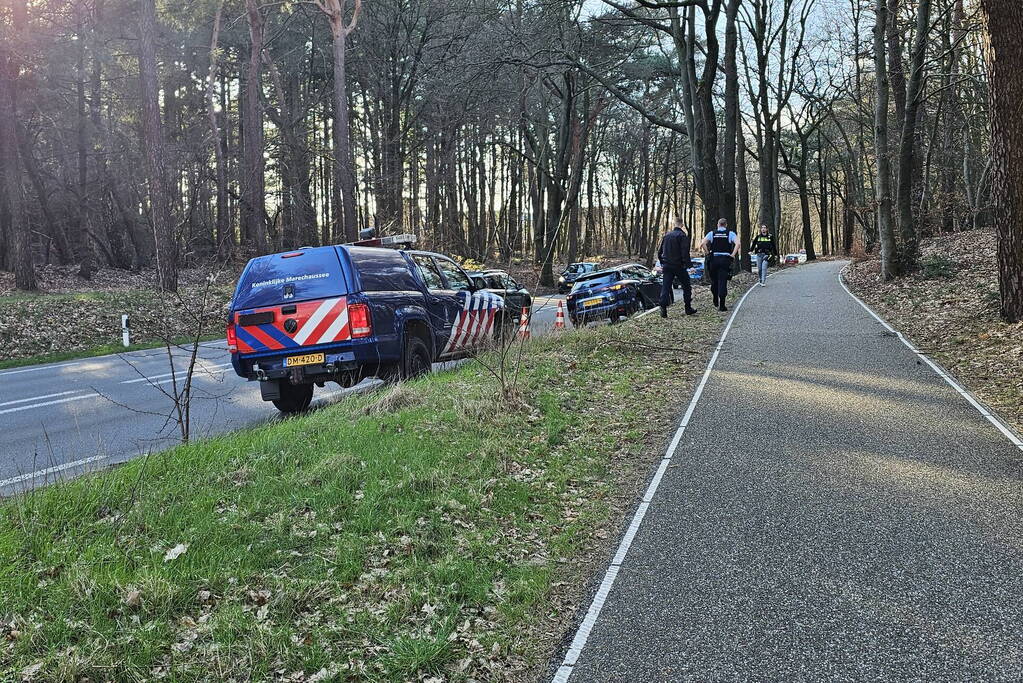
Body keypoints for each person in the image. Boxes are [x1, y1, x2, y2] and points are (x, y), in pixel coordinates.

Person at [656, 217, 697, 318]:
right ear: (682, 225)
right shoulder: (682, 236)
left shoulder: (666, 236)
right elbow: (685, 253)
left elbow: (659, 252)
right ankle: (688, 308)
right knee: (686, 286)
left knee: (666, 287)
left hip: (667, 266)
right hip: (679, 266)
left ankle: (663, 308)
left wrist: (662, 262)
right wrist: (689, 266)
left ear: (674, 224)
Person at [703, 218, 739, 311]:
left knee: (714, 281)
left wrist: (708, 253)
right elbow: (738, 244)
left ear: (718, 225)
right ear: (726, 225)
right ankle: (722, 305)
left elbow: (703, 243)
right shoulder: (730, 233)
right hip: (725, 260)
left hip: (714, 259)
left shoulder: (712, 233)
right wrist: (732, 255)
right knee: (722, 281)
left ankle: (715, 296)